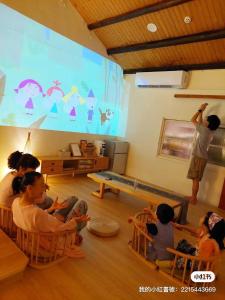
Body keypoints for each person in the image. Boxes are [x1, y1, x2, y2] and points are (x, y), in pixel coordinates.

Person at [12, 171, 90, 258]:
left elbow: (37, 219)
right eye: (42, 185)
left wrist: (51, 209)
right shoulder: (36, 213)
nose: (44, 189)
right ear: (30, 188)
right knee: (83, 205)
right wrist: (74, 221)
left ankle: (73, 229)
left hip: (48, 225)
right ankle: (75, 235)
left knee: (73, 198)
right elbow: (58, 229)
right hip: (56, 237)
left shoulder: (16, 202)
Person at [187, 103, 221, 204]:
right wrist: (203, 111)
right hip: (201, 157)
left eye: (206, 119)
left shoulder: (205, 131)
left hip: (199, 158)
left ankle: (193, 198)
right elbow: (200, 122)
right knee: (195, 179)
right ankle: (193, 196)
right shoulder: (209, 131)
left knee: (195, 179)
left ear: (208, 123)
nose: (204, 120)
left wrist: (200, 110)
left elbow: (192, 120)